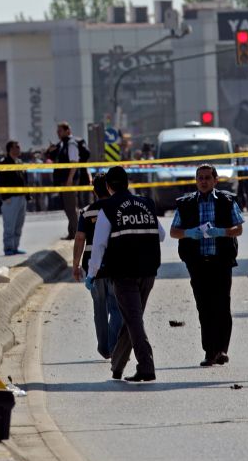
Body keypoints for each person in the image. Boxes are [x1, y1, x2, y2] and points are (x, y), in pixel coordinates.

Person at [87, 166, 165, 382]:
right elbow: (161, 235)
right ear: (128, 183)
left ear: (108, 187)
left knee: (133, 320)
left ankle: (146, 366)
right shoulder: (146, 203)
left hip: (124, 274)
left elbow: (99, 244)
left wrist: (92, 274)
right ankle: (117, 366)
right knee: (131, 318)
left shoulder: (108, 208)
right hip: (148, 271)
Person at [169, 164, 244, 367]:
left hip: (221, 261)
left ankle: (222, 350)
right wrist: (188, 233)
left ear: (215, 180)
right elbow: (173, 231)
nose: (203, 181)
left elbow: (238, 228)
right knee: (204, 307)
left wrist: (222, 232)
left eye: (207, 178)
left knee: (222, 305)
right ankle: (209, 352)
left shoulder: (227, 201)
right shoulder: (185, 204)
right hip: (197, 263)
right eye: (200, 178)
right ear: (196, 181)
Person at [71, 173, 122, 359]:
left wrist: (75, 265)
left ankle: (104, 347)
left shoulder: (86, 211)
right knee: (116, 307)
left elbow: (79, 238)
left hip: (92, 265)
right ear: (110, 187)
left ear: (94, 190)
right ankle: (112, 342)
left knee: (99, 307)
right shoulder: (118, 209)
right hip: (115, 264)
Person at [47, 122, 90, 239]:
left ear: (67, 131)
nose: (58, 134)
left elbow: (74, 162)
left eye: (60, 131)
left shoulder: (71, 143)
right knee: (68, 207)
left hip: (69, 180)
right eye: (57, 131)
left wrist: (70, 179)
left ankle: (77, 233)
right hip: (64, 180)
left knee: (71, 207)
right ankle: (72, 232)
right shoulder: (62, 144)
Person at [0, 140, 28, 255]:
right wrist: (5, 197)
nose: (19, 149)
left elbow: (25, 180)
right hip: (10, 199)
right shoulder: (4, 163)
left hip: (21, 198)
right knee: (9, 225)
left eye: (19, 147)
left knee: (19, 225)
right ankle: (8, 248)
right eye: (16, 147)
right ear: (10, 149)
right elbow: (0, 181)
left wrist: (27, 196)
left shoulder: (20, 162)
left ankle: (15, 247)